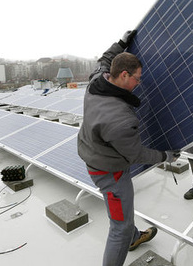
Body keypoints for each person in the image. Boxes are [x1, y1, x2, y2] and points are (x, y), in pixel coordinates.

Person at [77, 30, 179, 266]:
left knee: (121, 210)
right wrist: (166, 156)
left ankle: (133, 237)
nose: (139, 83)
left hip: (94, 153)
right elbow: (136, 154)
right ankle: (128, 235)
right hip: (109, 173)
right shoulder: (120, 119)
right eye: (137, 78)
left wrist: (122, 43)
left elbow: (105, 58)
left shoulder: (96, 81)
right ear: (123, 75)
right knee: (119, 228)